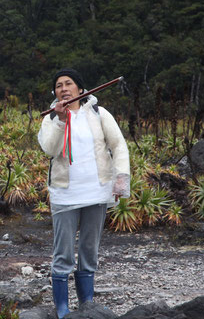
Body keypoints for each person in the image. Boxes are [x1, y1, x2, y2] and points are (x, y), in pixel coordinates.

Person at [37, 68, 130, 318]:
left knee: (89, 249)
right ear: (54, 92)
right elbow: (50, 149)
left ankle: (87, 304)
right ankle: (62, 308)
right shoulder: (51, 118)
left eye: (69, 84)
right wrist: (61, 121)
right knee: (63, 251)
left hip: (97, 192)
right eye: (58, 86)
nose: (63, 89)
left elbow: (118, 145)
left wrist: (120, 179)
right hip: (65, 195)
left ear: (80, 89)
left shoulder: (99, 113)